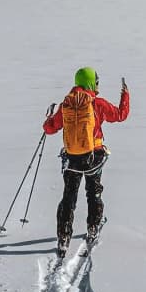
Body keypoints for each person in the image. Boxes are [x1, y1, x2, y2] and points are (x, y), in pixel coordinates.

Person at [42, 67, 130, 257]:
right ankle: (93, 228)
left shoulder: (67, 104)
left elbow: (50, 128)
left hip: (72, 158)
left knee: (69, 197)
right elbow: (121, 115)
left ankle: (63, 237)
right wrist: (125, 94)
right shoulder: (97, 104)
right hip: (93, 156)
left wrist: (49, 117)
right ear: (91, 82)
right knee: (93, 192)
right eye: (96, 81)